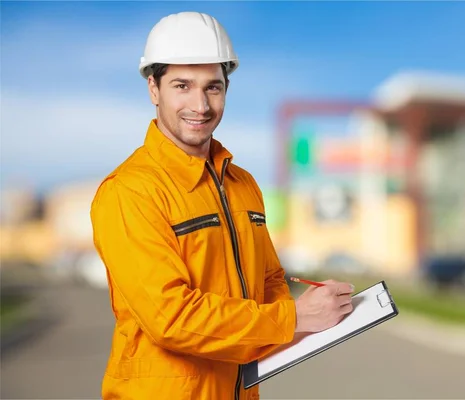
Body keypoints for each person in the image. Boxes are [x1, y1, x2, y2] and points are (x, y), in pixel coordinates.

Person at [90, 11, 355, 400]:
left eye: (213, 88)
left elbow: (270, 281)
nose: (200, 105)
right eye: (182, 85)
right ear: (153, 88)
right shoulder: (130, 191)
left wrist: (312, 318)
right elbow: (171, 318)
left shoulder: (242, 184)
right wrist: (293, 318)